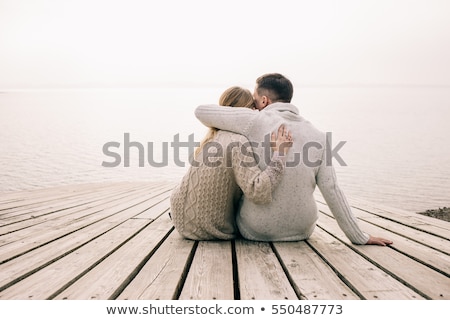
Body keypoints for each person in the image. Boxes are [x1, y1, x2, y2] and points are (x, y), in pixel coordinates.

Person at [195, 73, 393, 246]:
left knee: (245, 184)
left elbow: (201, 111)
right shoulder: (319, 136)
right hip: (302, 231)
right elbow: (332, 189)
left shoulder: (254, 121)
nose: (253, 107)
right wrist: (359, 236)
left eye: (254, 101)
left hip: (256, 231)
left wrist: (245, 113)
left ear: (264, 101)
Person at [170, 86, 293, 240]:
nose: (257, 113)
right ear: (244, 112)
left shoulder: (211, 138)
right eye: (253, 109)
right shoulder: (238, 142)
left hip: (180, 216)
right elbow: (258, 191)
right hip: (206, 227)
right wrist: (280, 154)